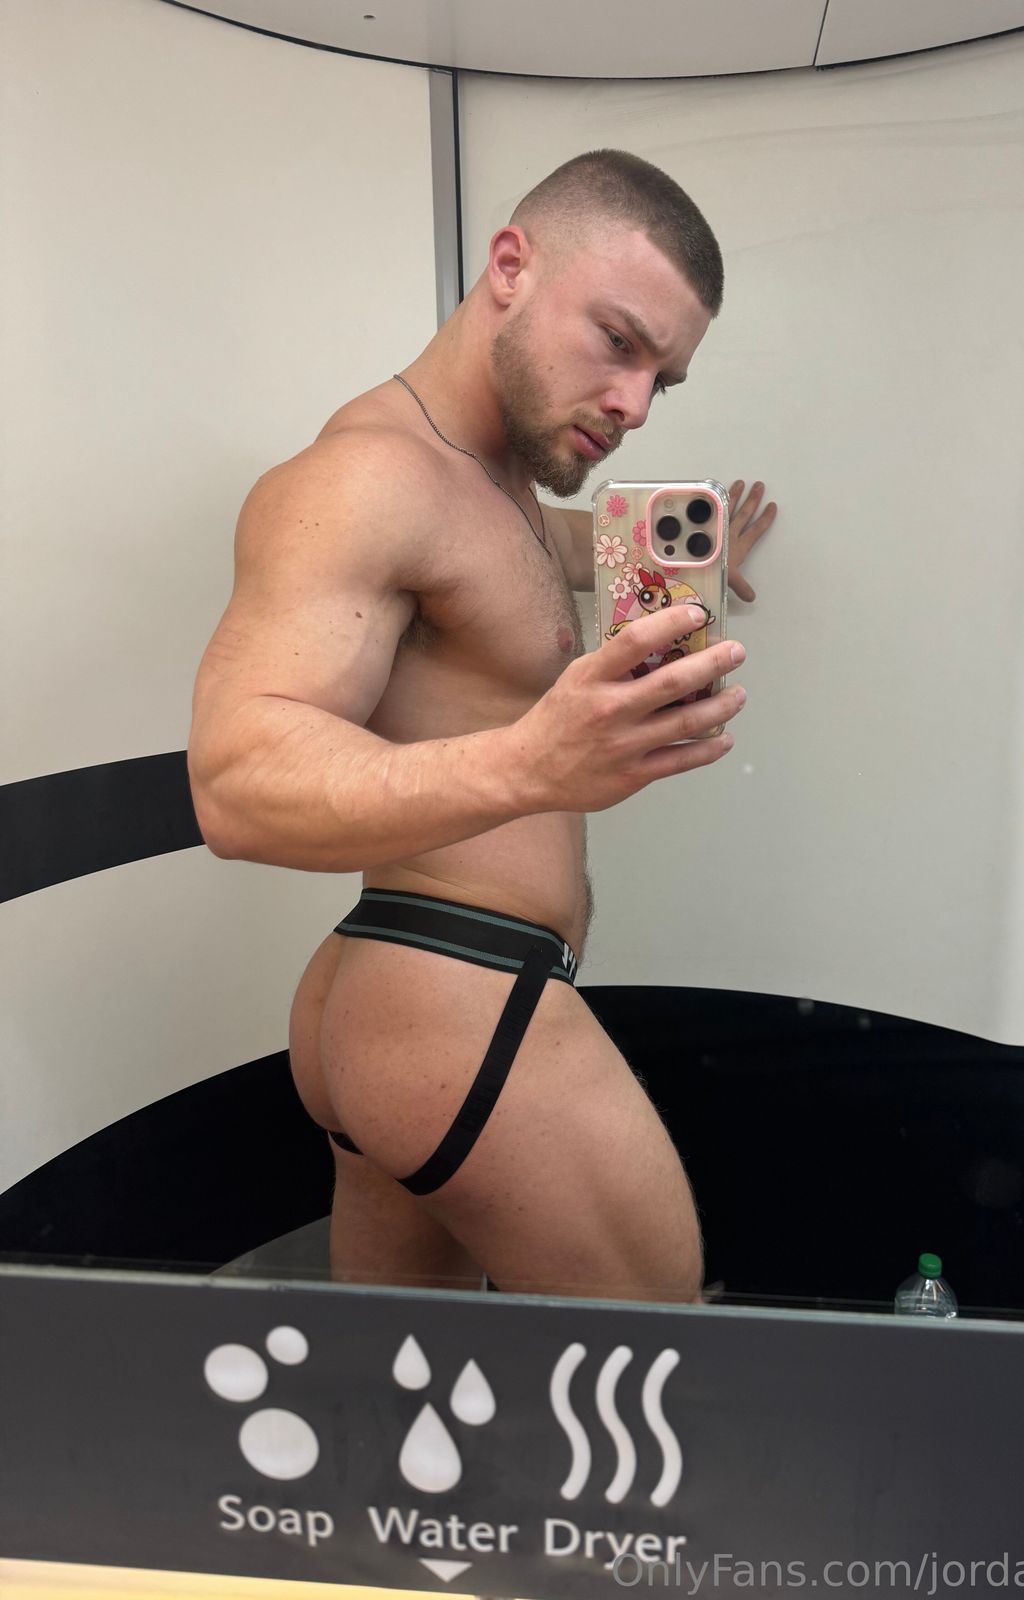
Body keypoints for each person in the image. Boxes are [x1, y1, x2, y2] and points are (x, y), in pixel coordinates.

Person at [188, 149, 777, 1304]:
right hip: (453, 1000)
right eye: (617, 341)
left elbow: (534, 560)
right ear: (511, 265)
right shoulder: (365, 478)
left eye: (662, 380)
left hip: (405, 998)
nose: (633, 402)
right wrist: (536, 760)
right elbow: (236, 783)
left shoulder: (492, 484)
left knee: (403, 1383)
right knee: (662, 1353)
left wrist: (697, 554)